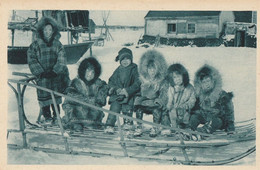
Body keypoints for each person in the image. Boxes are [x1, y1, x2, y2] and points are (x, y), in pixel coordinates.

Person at [27, 16, 70, 124]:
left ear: (53, 30)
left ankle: (56, 117)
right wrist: (40, 72)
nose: (47, 32)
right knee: (44, 98)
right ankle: (47, 117)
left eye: (50, 29)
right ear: (41, 30)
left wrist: (55, 71)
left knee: (55, 98)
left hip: (55, 76)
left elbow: (62, 59)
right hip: (43, 78)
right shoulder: (35, 45)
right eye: (45, 29)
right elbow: (32, 59)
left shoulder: (58, 44)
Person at [62, 57, 109, 131]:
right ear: (83, 71)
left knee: (95, 110)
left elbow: (101, 101)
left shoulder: (99, 84)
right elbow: (70, 97)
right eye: (88, 71)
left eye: (92, 72)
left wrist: (103, 91)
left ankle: (88, 124)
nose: (90, 74)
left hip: (92, 113)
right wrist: (88, 100)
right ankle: (75, 124)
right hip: (76, 110)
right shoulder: (75, 82)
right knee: (72, 109)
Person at [134, 50, 170, 137]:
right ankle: (139, 126)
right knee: (139, 110)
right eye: (150, 69)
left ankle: (155, 127)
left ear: (158, 69)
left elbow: (164, 94)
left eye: (154, 69)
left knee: (156, 111)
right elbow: (138, 93)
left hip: (155, 104)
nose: (152, 71)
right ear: (146, 69)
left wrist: (158, 101)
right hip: (145, 103)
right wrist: (139, 100)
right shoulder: (143, 80)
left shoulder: (162, 81)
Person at [190, 64, 235, 134]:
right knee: (194, 117)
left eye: (208, 81)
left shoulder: (221, 95)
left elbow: (229, 112)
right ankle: (189, 130)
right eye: (204, 82)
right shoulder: (199, 95)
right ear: (200, 84)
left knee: (216, 121)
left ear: (213, 81)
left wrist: (230, 127)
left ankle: (205, 130)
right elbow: (194, 110)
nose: (206, 84)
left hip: (218, 120)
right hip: (204, 117)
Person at [104, 48, 140, 134]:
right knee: (114, 107)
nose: (125, 61)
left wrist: (127, 90)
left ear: (131, 59)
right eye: (123, 59)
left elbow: (137, 83)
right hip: (118, 94)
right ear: (120, 60)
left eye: (127, 59)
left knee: (127, 106)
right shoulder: (118, 70)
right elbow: (111, 81)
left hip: (129, 94)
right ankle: (110, 125)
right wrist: (116, 89)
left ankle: (128, 123)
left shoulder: (134, 69)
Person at [165, 63, 196, 134]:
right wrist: (169, 104)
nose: (177, 79)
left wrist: (186, 105)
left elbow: (192, 100)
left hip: (184, 111)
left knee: (185, 116)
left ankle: (184, 128)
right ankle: (174, 128)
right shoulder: (171, 88)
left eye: (179, 76)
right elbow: (169, 99)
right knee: (171, 112)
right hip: (174, 112)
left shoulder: (190, 88)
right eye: (174, 77)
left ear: (183, 76)